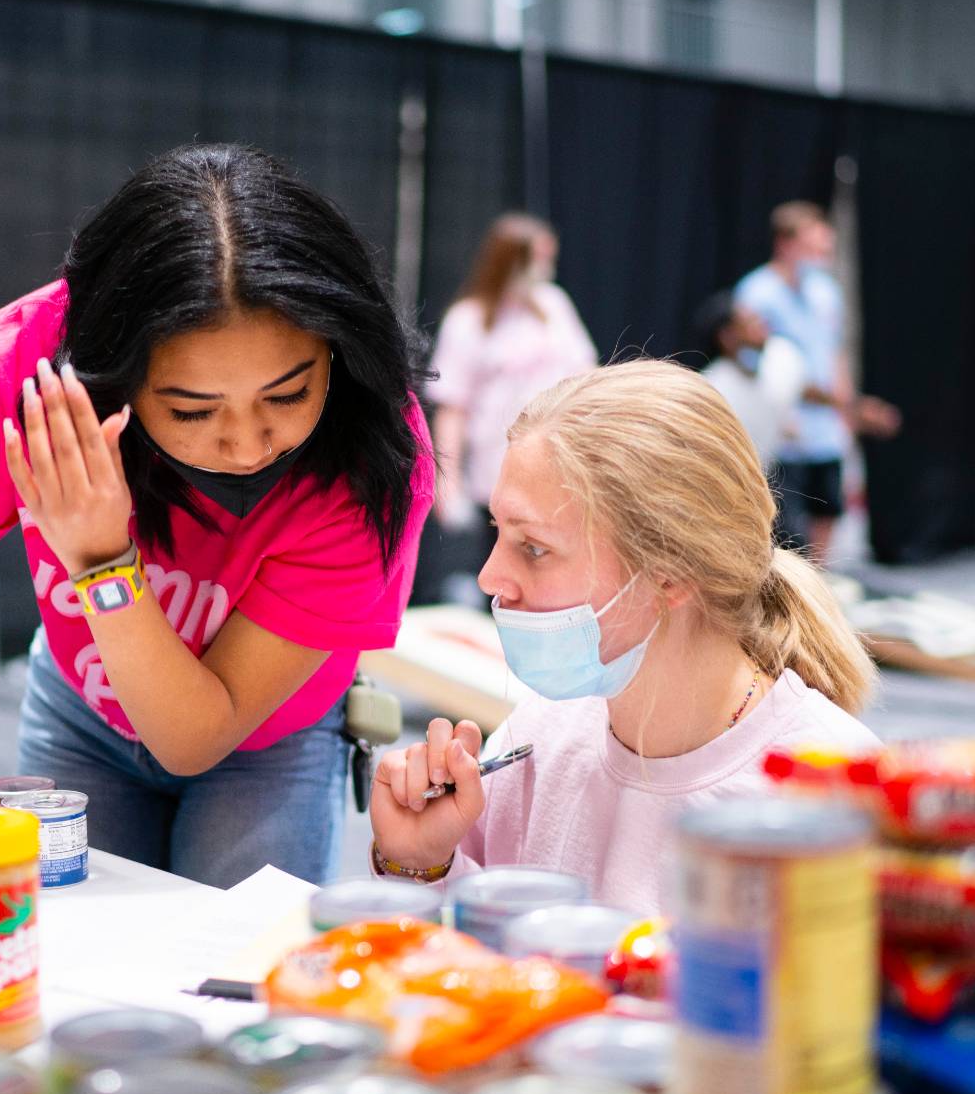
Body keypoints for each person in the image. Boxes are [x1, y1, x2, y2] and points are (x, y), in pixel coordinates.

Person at [0, 144, 434, 889]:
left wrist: (102, 563)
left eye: (286, 396)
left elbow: (197, 734)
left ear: (335, 351)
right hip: (83, 711)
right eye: (192, 409)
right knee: (66, 955)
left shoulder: (372, 456)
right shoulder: (34, 365)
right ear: (115, 375)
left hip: (267, 740)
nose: (246, 443)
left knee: (226, 962)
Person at [367, 360, 879, 915]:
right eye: (499, 533)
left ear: (671, 572)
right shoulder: (538, 735)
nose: (490, 578)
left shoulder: (828, 790)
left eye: (533, 547)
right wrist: (420, 863)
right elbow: (456, 973)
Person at [735, 202, 897, 563]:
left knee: (828, 510)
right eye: (812, 248)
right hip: (784, 431)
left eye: (825, 250)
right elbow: (756, 366)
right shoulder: (757, 293)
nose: (820, 257)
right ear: (785, 244)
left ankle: (818, 586)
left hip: (825, 427)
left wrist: (846, 409)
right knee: (785, 522)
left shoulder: (825, 291)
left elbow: (834, 351)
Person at [429, 214, 597, 527]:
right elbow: (453, 408)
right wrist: (448, 480)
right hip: (496, 471)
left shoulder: (554, 305)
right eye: (539, 257)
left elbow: (587, 375)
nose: (546, 266)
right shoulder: (467, 320)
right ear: (510, 260)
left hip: (561, 467)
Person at [695, 290, 802, 472]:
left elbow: (803, 389)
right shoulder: (712, 389)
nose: (762, 326)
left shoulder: (777, 363)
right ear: (727, 337)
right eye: (751, 322)